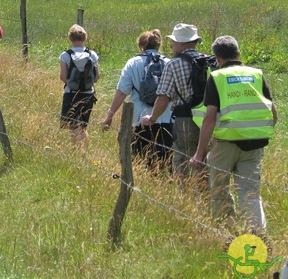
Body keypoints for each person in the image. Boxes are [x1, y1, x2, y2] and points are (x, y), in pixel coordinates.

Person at [189, 36, 276, 233]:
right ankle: (257, 236)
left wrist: (199, 153)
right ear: (238, 54)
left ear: (217, 57)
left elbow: (209, 118)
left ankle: (227, 234)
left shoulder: (217, 78)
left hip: (225, 143)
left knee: (220, 190)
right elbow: (273, 111)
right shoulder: (257, 74)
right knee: (250, 193)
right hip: (255, 143)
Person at [102, 30, 173, 169]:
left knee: (141, 161)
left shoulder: (133, 63)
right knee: (165, 164)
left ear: (141, 46)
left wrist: (110, 115)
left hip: (139, 119)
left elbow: (122, 91)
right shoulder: (169, 63)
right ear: (159, 45)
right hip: (166, 119)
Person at [142, 23, 204, 182]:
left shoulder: (173, 64)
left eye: (174, 41)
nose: (171, 44)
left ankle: (186, 199)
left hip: (185, 120)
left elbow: (163, 98)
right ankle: (204, 198)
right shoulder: (208, 62)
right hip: (208, 120)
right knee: (204, 161)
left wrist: (152, 118)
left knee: (182, 161)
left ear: (182, 43)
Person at [59, 24, 100, 144]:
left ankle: (76, 149)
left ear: (70, 38)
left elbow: (63, 77)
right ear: (84, 38)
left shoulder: (65, 55)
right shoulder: (92, 54)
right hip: (88, 94)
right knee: (83, 125)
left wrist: (73, 84)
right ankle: (84, 148)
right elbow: (97, 76)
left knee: (72, 125)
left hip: (71, 93)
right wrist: (86, 84)